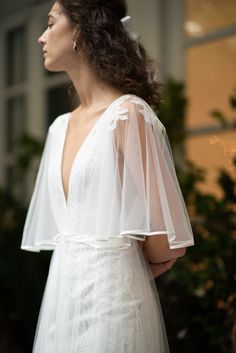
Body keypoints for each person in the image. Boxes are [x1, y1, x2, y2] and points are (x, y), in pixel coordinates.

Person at [21, 0, 194, 352]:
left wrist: (117, 264)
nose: (41, 37)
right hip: (61, 300)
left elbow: (168, 241)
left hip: (115, 303)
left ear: (81, 29)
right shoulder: (58, 128)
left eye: (51, 24)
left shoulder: (128, 115)